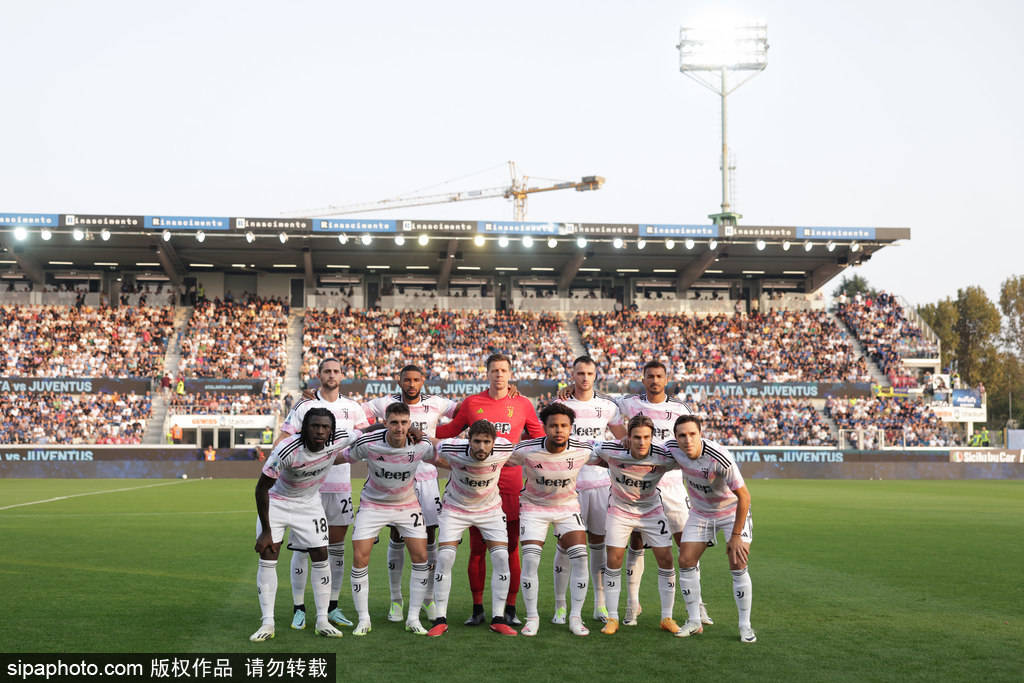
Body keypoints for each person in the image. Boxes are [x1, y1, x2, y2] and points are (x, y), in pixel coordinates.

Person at [434, 352, 544, 627]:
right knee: (476, 550)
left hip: (510, 486)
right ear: (488, 373)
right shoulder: (472, 403)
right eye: (494, 370)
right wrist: (418, 427)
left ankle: (509, 608)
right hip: (477, 488)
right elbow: (448, 431)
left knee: (510, 549)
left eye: (503, 370)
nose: (499, 375)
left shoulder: (523, 404)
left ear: (510, 374)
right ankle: (477, 608)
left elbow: (539, 437)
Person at [277, 358, 369, 631]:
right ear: (318, 375)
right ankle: (298, 608)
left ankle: (332, 606)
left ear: (342, 375)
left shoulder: (352, 408)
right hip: (306, 490)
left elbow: (362, 444)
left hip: (339, 488)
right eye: (326, 371)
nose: (331, 375)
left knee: (336, 549)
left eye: (336, 371)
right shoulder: (304, 405)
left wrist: (335, 458)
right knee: (303, 549)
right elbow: (284, 440)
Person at [249, 408, 357, 642]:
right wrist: (266, 531)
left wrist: (405, 430)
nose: (319, 431)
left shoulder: (340, 437)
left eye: (325, 427)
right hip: (277, 503)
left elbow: (368, 431)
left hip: (309, 504)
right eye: (314, 426)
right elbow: (261, 488)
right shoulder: (287, 449)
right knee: (268, 556)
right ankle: (267, 623)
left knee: (321, 555)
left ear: (331, 430)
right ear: (304, 428)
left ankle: (322, 620)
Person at [363, 365, 457, 625]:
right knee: (396, 535)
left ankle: (427, 598)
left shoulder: (437, 403)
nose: (412, 384)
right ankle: (396, 599)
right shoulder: (384, 403)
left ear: (423, 381)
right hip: (396, 476)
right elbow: (356, 417)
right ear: (400, 381)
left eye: (416, 380)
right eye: (407, 380)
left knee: (428, 538)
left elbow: (465, 412)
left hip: (427, 478)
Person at [335, 403, 434, 636]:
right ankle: (363, 620)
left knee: (421, 557)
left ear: (409, 423)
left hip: (407, 504)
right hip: (372, 504)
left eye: (403, 423)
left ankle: (413, 618)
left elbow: (443, 456)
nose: (399, 428)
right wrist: (315, 460)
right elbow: (343, 457)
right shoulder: (368, 443)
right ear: (385, 423)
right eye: (394, 422)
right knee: (360, 558)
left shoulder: (421, 444)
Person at [589, 415, 685, 636]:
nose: (641, 442)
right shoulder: (612, 450)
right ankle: (612, 617)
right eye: (636, 437)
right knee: (613, 558)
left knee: (666, 558)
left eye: (646, 437)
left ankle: (667, 617)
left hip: (651, 510)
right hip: (620, 511)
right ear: (628, 437)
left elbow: (689, 458)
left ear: (652, 437)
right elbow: (586, 449)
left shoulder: (663, 457)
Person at [664, 415, 755, 643]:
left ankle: (745, 626)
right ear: (676, 437)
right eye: (682, 435)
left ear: (700, 433)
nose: (687, 439)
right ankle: (694, 621)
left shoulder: (719, 457)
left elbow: (744, 496)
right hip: (701, 513)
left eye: (692, 434)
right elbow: (645, 448)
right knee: (685, 560)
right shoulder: (671, 448)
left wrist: (735, 536)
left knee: (738, 561)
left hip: (731, 512)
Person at [423, 420, 517, 637]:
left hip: (490, 510)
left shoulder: (504, 448)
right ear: (468, 440)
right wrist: (417, 434)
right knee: (445, 557)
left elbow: (530, 453)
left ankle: (499, 618)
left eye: (486, 442)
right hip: (455, 509)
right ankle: (440, 619)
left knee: (502, 557)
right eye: (477, 441)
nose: (482, 447)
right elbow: (433, 445)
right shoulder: (452, 447)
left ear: (494, 442)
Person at [550, 356, 625, 624]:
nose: (584, 377)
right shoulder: (560, 404)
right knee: (565, 543)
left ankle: (600, 605)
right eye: (580, 373)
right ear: (572, 374)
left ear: (596, 376)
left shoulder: (606, 406)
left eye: (589, 373)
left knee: (599, 544)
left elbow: (622, 439)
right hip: (568, 484)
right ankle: (560, 606)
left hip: (601, 483)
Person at [509, 402, 595, 637]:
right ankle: (532, 618)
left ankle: (575, 617)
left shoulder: (584, 449)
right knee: (531, 561)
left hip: (567, 508)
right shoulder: (526, 449)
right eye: (554, 425)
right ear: (544, 427)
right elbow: (497, 459)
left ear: (571, 428)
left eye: (564, 426)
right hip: (534, 508)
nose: (559, 430)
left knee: (580, 557)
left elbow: (611, 455)